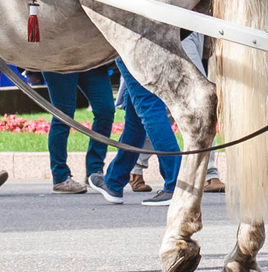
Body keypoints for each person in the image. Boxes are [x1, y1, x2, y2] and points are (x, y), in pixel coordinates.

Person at [100, 60, 180, 205]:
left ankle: (176, 185)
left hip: (136, 45)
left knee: (149, 105)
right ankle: (114, 181)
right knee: (135, 115)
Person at [47, 64, 116, 194]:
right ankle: (60, 177)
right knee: (63, 115)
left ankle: (94, 171)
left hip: (90, 58)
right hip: (59, 58)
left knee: (106, 110)